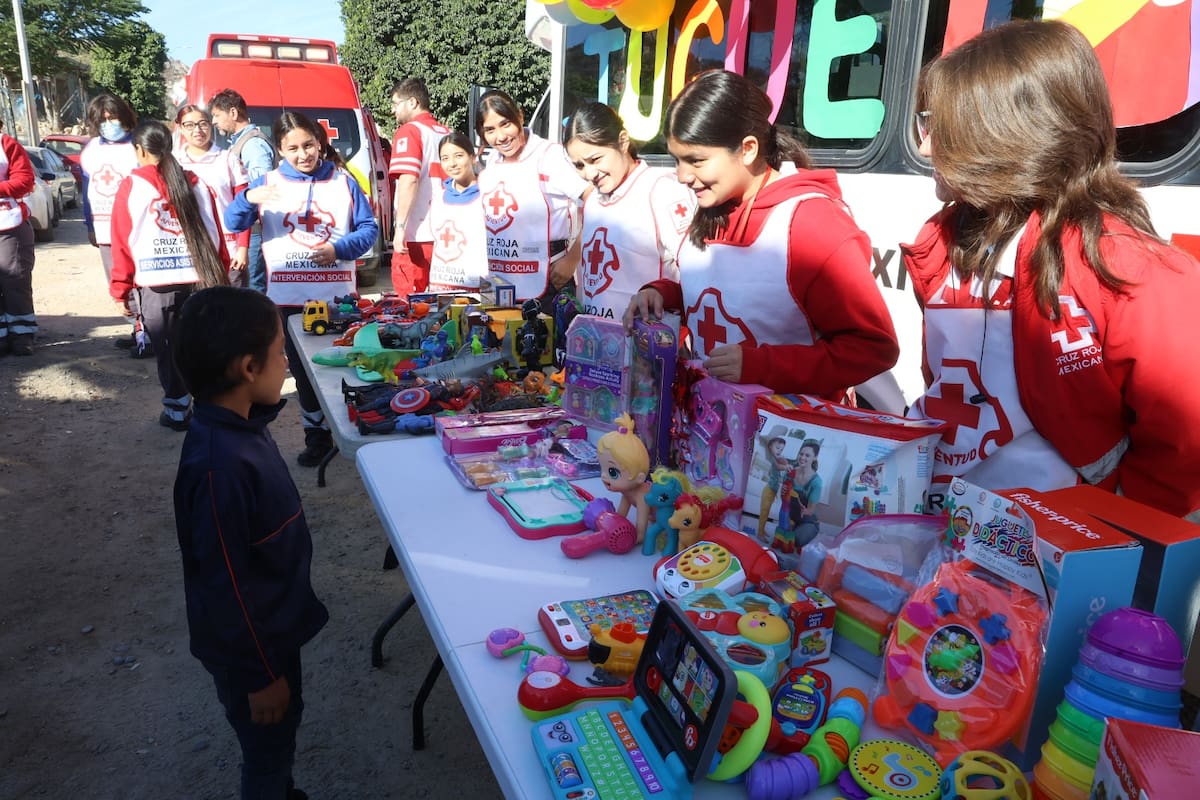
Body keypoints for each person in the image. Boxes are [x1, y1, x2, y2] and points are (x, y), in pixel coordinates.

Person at [902, 19, 1200, 520]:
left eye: (939, 124)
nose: (926, 147)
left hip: (1052, 547)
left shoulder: (1127, 268)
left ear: (1006, 133)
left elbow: (1185, 449)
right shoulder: (945, 242)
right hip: (949, 527)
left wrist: (1103, 531)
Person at [623, 70, 898, 399]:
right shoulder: (715, 204)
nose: (682, 175)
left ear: (748, 149)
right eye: (677, 160)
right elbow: (725, 300)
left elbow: (872, 347)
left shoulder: (811, 221)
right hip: (710, 420)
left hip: (788, 426)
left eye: (696, 160)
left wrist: (762, 365)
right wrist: (664, 296)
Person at [172, 285, 328, 800]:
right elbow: (224, 585)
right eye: (281, 352)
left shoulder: (240, 428)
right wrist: (259, 676)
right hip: (253, 652)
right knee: (267, 749)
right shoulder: (220, 466)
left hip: (272, 631)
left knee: (283, 730)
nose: (286, 363)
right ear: (247, 369)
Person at [225, 111, 379, 466]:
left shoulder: (343, 181)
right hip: (288, 299)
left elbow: (368, 230)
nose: (303, 154)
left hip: (337, 299)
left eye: (308, 145)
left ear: (320, 142)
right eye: (292, 148)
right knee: (303, 373)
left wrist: (339, 249)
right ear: (279, 149)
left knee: (342, 365)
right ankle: (317, 437)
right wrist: (249, 198)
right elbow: (233, 222)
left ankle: (354, 427)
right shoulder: (268, 182)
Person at [109, 120, 230, 430]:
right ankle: (211, 408)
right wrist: (223, 274)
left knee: (168, 350)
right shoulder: (197, 183)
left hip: (157, 287)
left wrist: (120, 289)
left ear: (139, 150)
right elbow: (216, 233)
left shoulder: (132, 186)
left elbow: (121, 243)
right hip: (201, 281)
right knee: (203, 347)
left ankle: (177, 412)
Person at [565, 102, 694, 321]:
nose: (589, 173)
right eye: (579, 165)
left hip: (650, 337)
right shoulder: (593, 201)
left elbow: (697, 273)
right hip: (598, 337)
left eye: (595, 159)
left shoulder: (662, 190)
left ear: (623, 142)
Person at [475, 89, 591, 311]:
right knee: (493, 331)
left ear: (520, 116)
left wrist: (572, 259)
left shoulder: (550, 155)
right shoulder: (493, 160)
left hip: (548, 278)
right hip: (498, 278)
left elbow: (594, 200)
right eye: (490, 129)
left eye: (505, 124)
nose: (500, 136)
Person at [80, 93, 141, 350]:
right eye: (102, 119)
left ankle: (148, 332)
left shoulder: (138, 145)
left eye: (112, 117)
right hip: (105, 230)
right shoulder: (91, 149)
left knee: (141, 281)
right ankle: (136, 329)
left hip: (137, 228)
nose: (108, 123)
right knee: (118, 283)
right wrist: (90, 224)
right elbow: (87, 190)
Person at [210, 88, 277, 293]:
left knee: (254, 291)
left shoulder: (252, 145)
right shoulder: (242, 143)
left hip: (255, 229)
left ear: (233, 112)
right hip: (251, 230)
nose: (213, 122)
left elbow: (261, 189)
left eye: (216, 115)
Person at [175, 104, 250, 285]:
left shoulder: (228, 159)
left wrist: (242, 247)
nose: (197, 130)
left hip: (229, 250)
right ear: (180, 128)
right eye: (189, 125)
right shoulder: (175, 162)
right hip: (192, 252)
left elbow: (244, 206)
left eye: (203, 123)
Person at [388, 78, 450, 295]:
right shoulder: (447, 133)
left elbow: (409, 180)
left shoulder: (410, 131)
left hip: (417, 233)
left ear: (413, 102)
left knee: (410, 303)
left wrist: (400, 228)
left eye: (396, 104)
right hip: (446, 232)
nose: (393, 110)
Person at [426, 131, 487, 292]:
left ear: (472, 157)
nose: (452, 163)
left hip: (478, 286)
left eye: (459, 156)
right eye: (445, 158)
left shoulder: (488, 194)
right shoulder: (439, 197)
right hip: (443, 285)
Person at [0, 118, 36, 356]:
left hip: (8, 225)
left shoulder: (6, 144)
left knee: (14, 280)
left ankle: (22, 334)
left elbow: (25, 180)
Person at [774, 440, 822, 553]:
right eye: (801, 454)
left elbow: (810, 511)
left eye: (807, 455)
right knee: (782, 535)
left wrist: (804, 509)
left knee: (797, 540)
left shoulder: (816, 482)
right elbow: (784, 500)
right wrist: (783, 492)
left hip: (806, 520)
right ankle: (793, 527)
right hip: (791, 516)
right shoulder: (790, 472)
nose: (802, 457)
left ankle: (806, 531)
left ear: (814, 458)